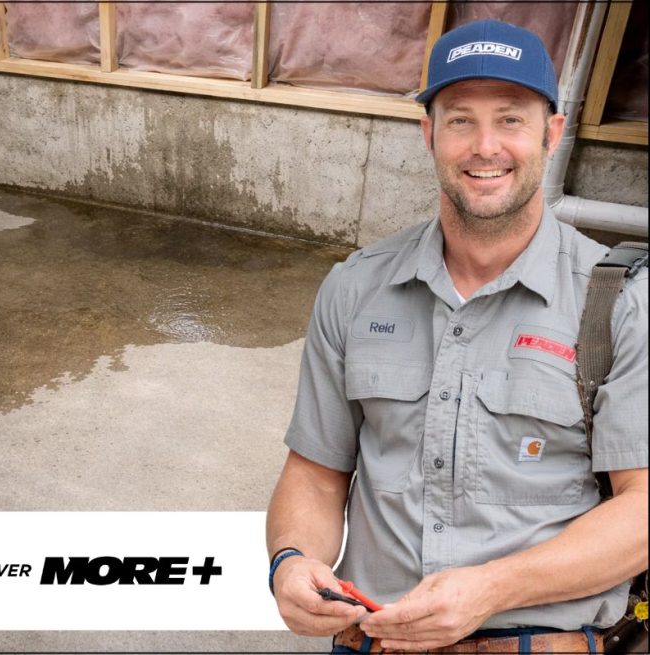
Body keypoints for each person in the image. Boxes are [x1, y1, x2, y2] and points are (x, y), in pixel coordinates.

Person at [266, 19, 648, 654]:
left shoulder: (620, 303)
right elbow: (315, 471)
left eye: (510, 119)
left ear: (551, 134)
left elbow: (642, 512)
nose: (485, 146)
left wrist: (491, 589)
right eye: (460, 119)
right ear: (429, 135)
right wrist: (291, 560)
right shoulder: (355, 289)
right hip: (377, 638)